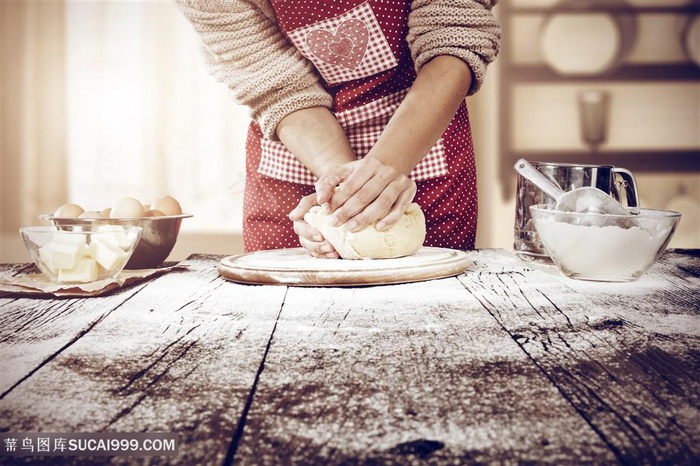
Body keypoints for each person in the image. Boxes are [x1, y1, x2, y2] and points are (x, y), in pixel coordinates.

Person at [176, 0, 501, 258]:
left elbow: (454, 33)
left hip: (422, 140)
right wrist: (341, 199)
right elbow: (278, 87)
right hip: (298, 154)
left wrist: (388, 164)